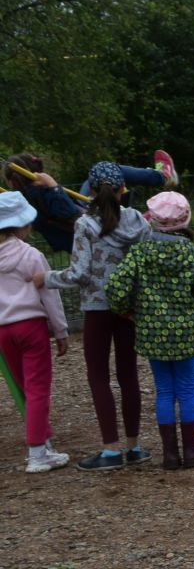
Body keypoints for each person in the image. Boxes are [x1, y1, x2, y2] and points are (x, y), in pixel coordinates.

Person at [45, 163, 154, 469]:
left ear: (90, 191)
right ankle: (134, 447)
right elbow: (145, 266)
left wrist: (47, 278)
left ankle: (109, 450)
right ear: (123, 190)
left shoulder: (86, 225)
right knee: (128, 374)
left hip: (97, 307)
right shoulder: (139, 223)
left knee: (98, 376)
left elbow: (79, 273)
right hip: (130, 308)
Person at [104, 192, 194, 470]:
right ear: (186, 218)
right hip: (186, 333)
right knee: (188, 390)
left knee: (164, 391)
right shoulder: (193, 255)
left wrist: (128, 312)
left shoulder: (140, 253)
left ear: (152, 220)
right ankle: (192, 452)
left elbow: (114, 288)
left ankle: (169, 455)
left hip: (152, 333)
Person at [0, 191, 72, 473]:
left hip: (3, 331)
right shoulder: (31, 255)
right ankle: (37, 454)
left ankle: (43, 443)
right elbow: (49, 295)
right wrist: (61, 330)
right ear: (22, 226)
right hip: (31, 328)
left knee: (25, 388)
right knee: (38, 388)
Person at [6, 150, 178, 256]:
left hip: (81, 227)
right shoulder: (44, 194)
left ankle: (138, 215)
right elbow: (68, 212)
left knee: (96, 178)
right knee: (109, 170)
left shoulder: (26, 200)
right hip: (87, 228)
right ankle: (162, 176)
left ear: (13, 183)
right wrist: (53, 186)